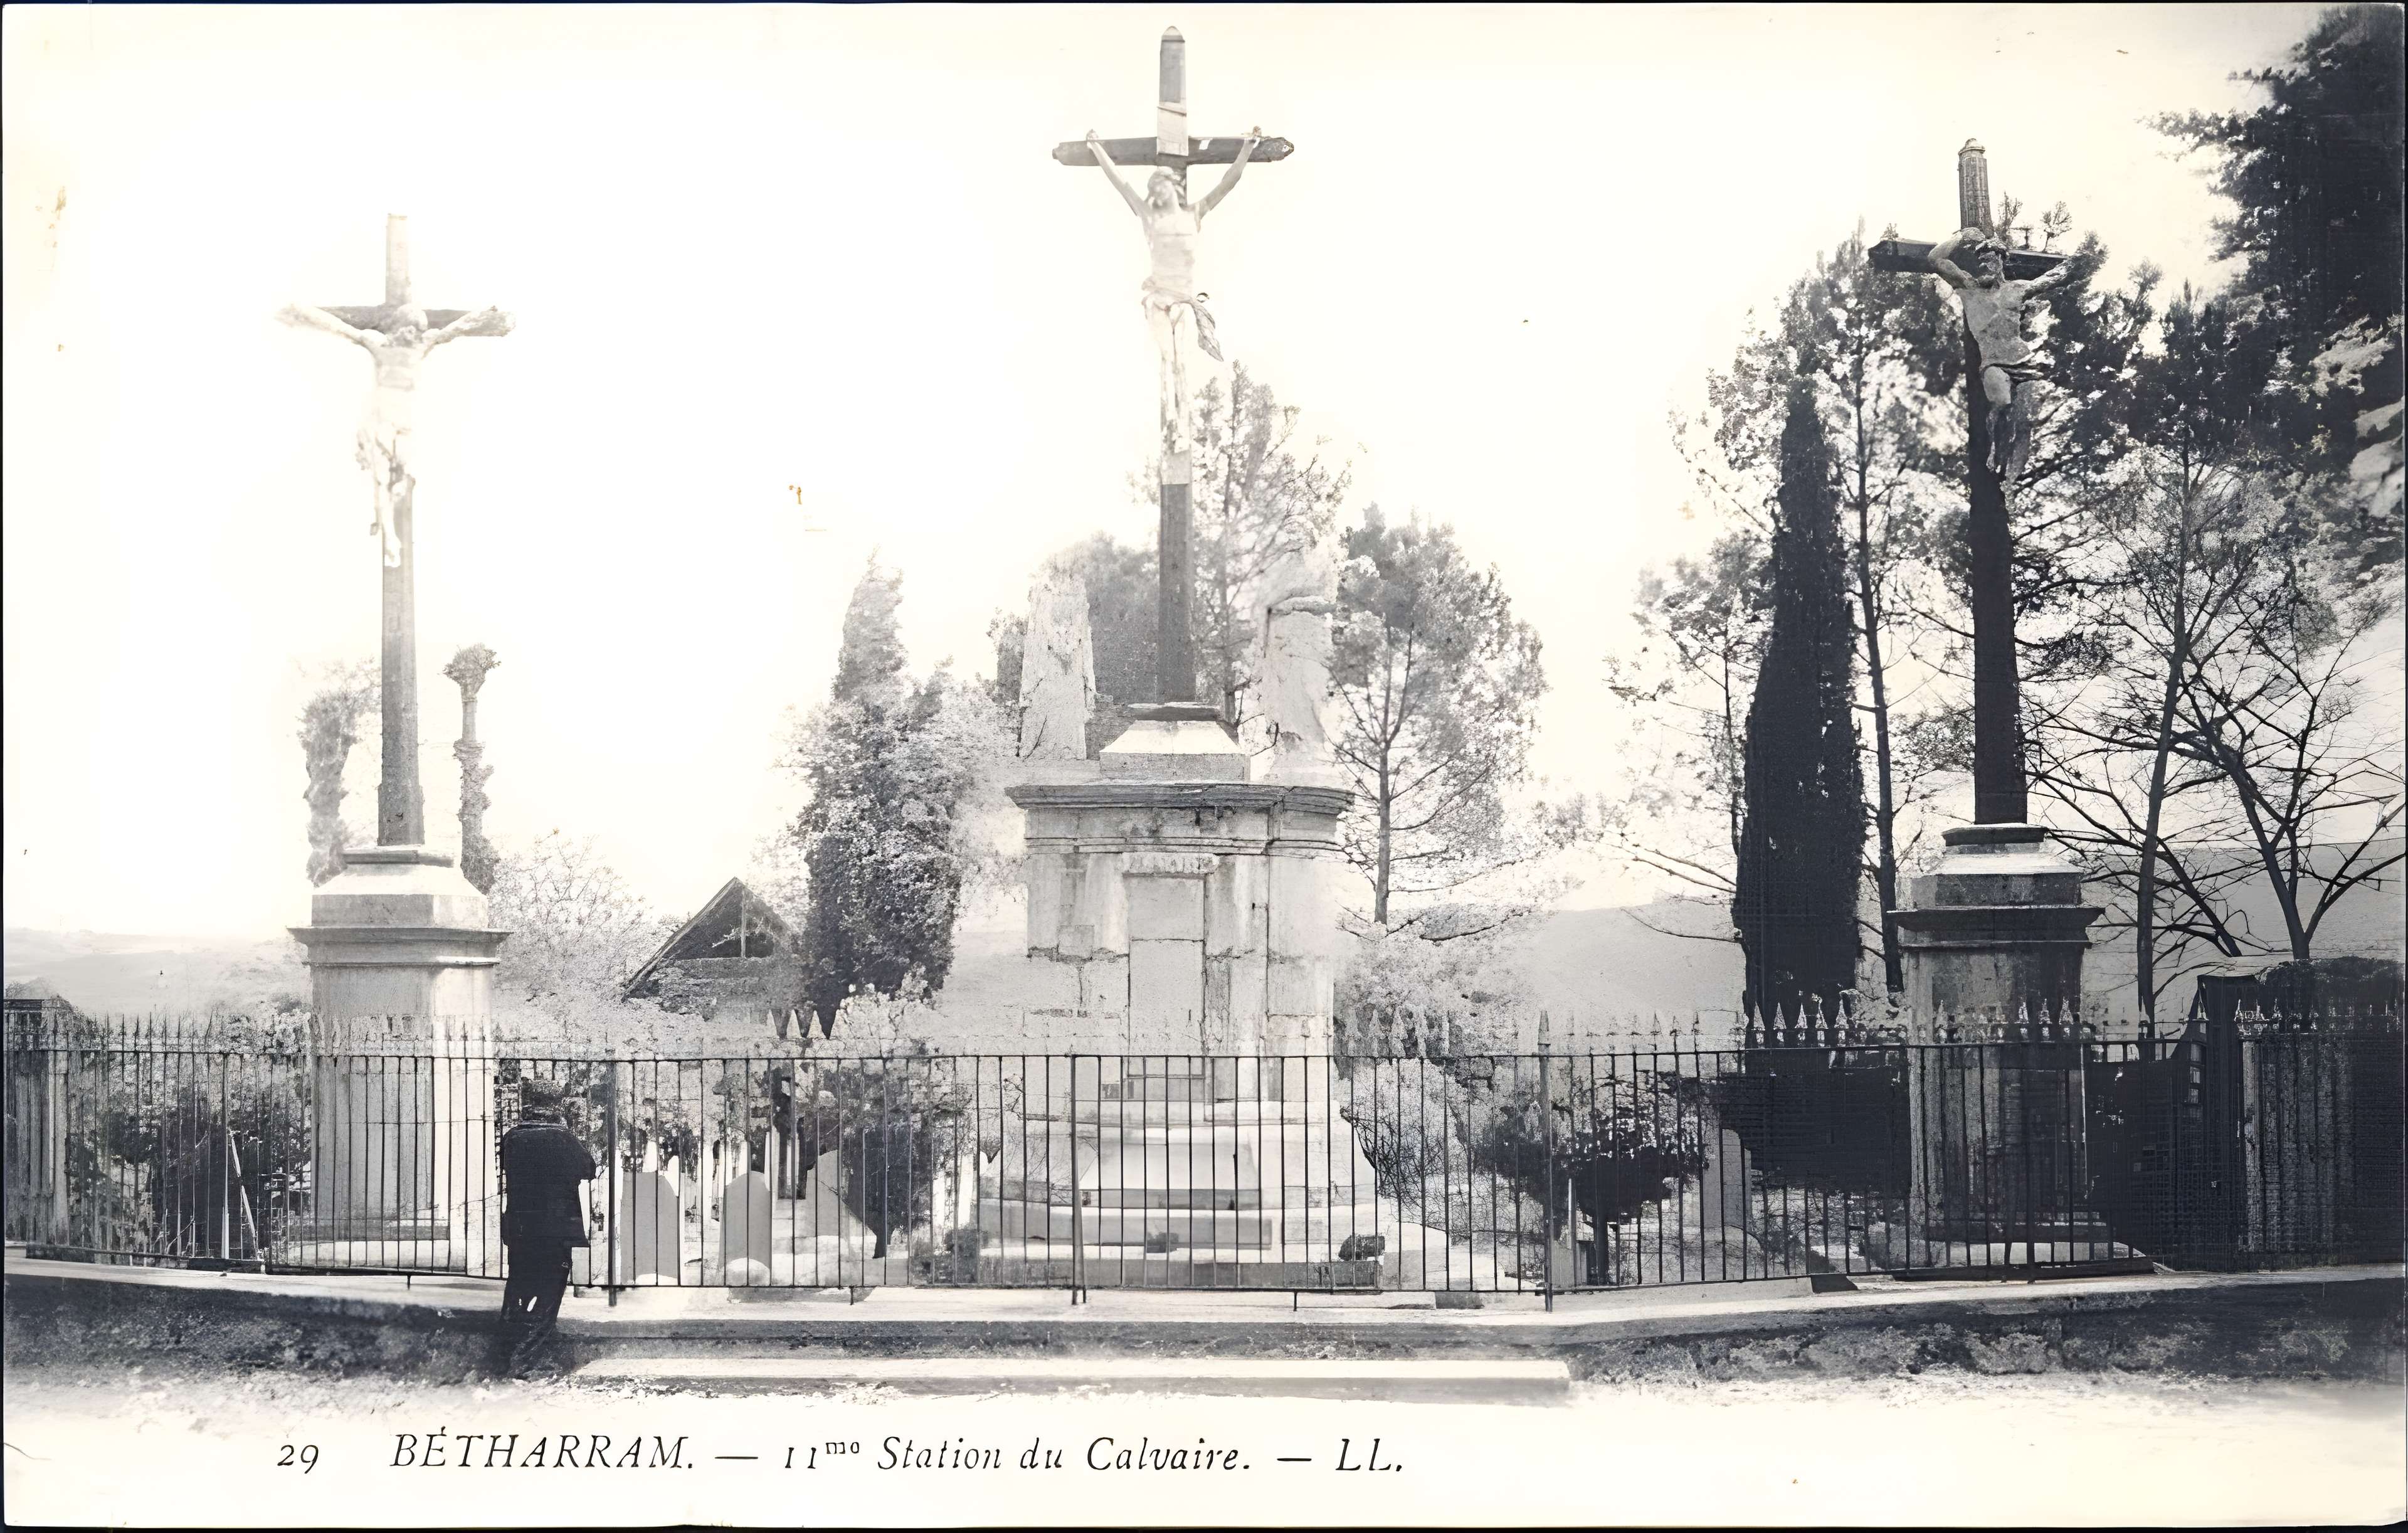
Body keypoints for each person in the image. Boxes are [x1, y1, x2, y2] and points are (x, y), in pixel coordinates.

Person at [1926, 226, 2075, 486]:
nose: (1984, 266)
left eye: (1989, 260)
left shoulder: (2017, 289)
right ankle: (1996, 449)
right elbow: (1936, 260)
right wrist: (1963, 235)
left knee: (2027, 420)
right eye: (1980, 261)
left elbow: (2054, 278)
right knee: (2001, 403)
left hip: (2024, 361)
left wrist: (2081, 260)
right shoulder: (1969, 288)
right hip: (1993, 362)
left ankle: (2015, 471)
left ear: (2001, 261)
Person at [495, 1075, 594, 1377]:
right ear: (555, 1105)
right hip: (555, 1228)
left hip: (522, 1226)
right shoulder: (562, 1138)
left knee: (518, 1289)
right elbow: (589, 1169)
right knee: (550, 1295)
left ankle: (503, 1356)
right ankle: (526, 1361)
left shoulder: (513, 1137)